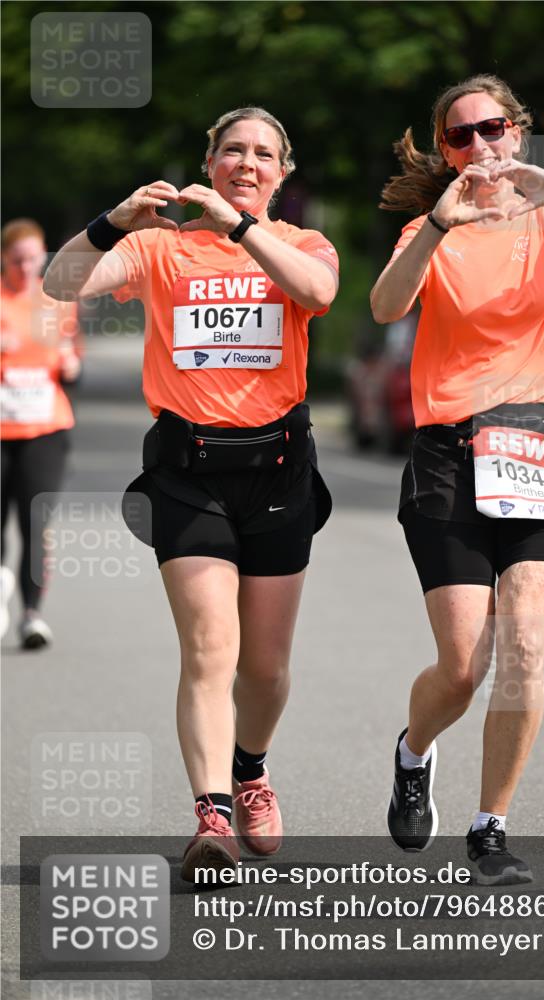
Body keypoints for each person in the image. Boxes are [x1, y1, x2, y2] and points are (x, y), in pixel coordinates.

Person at [370, 74, 544, 884]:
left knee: (525, 641)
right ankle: (413, 749)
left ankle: (489, 827)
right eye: (460, 137)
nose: (479, 148)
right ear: (445, 151)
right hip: (448, 454)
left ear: (517, 133)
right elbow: (388, 307)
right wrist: (434, 223)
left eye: (491, 130)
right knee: (462, 666)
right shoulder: (436, 229)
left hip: (536, 446)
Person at [44, 107, 339, 879]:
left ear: (283, 172)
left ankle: (249, 770)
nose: (247, 164)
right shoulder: (158, 249)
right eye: (232, 151)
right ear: (208, 161)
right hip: (186, 474)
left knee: (266, 667)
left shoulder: (299, 244)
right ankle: (211, 817)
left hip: (278, 473)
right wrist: (114, 220)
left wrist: (242, 231)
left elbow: (318, 292)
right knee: (211, 647)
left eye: (263, 154)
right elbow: (58, 281)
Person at [1, 218, 82, 648]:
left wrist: (73, 368)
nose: (27, 267)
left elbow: (72, 361)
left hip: (45, 427)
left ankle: (32, 615)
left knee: (36, 520)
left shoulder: (57, 303)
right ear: (3, 259)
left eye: (34, 258)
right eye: (18, 260)